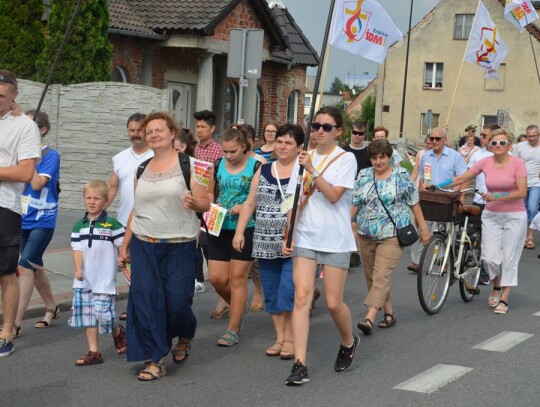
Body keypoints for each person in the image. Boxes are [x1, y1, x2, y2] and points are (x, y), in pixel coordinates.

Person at [118, 112, 210, 381]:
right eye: (149, 132)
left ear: (172, 134)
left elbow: (205, 201)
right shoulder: (141, 169)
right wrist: (125, 244)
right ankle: (155, 359)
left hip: (180, 245)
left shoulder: (192, 166)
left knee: (178, 304)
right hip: (144, 245)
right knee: (147, 302)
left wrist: (196, 203)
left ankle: (186, 331)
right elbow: (137, 208)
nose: (154, 135)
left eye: (159, 130)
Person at [283, 106, 360, 386]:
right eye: (315, 126)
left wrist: (312, 170)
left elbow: (333, 196)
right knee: (302, 298)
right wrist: (288, 233)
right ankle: (300, 364)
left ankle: (348, 341)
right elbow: (293, 200)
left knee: (332, 302)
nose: (318, 131)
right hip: (305, 236)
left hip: (335, 239)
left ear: (338, 131)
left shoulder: (345, 159)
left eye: (326, 127)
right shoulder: (304, 157)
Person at [233, 124, 303, 359]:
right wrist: (240, 232)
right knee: (271, 292)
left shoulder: (303, 172)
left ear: (298, 147)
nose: (282, 147)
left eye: (288, 143)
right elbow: (250, 203)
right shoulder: (263, 170)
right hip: (264, 241)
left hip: (292, 244)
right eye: (280, 142)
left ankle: (292, 339)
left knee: (288, 291)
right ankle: (280, 338)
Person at [441, 129, 527, 314]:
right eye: (494, 143)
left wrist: (496, 195)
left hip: (514, 215)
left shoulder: (518, 164)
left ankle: (504, 296)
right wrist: (438, 185)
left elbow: (522, 192)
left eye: (502, 143)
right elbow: (462, 177)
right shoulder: (485, 162)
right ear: (489, 146)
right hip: (491, 215)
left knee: (509, 258)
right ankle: (496, 285)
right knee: (488, 258)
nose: (498, 146)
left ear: (510, 146)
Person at [351, 140, 429, 335]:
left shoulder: (400, 176)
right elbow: (356, 202)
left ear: (389, 157)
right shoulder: (364, 175)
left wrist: (423, 228)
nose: (378, 162)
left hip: (392, 233)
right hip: (366, 232)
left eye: (382, 157)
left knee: (381, 275)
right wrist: (344, 223)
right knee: (371, 276)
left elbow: (414, 203)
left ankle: (369, 317)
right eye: (374, 158)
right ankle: (389, 312)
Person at [206, 127, 261, 347]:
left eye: (233, 151)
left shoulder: (256, 166)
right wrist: (212, 204)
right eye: (225, 151)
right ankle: (238, 306)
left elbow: (256, 197)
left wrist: (243, 205)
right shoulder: (218, 165)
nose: (228, 156)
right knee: (217, 278)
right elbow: (210, 190)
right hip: (220, 224)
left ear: (244, 147)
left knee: (237, 278)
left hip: (246, 225)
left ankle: (233, 328)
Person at [0, 70, 41, 357]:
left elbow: (26, 172)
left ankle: (6, 332)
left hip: (5, 207)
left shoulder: (25, 126)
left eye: (2, 96)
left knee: (5, 275)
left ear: (15, 95)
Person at [14, 111, 61, 336]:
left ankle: (13, 324)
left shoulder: (51, 156)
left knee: (24, 267)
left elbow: (37, 184)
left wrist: (29, 159)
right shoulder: (18, 153)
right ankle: (52, 307)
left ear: (41, 130)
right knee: (34, 266)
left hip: (43, 220)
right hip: (21, 218)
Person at [70, 180, 127, 365]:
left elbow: (122, 246)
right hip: (84, 281)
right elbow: (77, 250)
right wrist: (78, 269)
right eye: (88, 198)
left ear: (105, 201)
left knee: (104, 316)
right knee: (88, 316)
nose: (92, 202)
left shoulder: (112, 224)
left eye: (96, 198)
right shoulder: (79, 226)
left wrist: (123, 257)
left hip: (104, 281)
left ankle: (117, 331)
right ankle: (94, 352)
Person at [407, 127, 468, 272]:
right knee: (422, 226)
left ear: (444, 140)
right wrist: (422, 187)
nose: (434, 141)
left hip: (447, 198)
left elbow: (464, 177)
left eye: (437, 139)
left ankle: (443, 260)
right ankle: (417, 261)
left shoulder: (455, 156)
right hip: (429, 197)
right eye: (431, 138)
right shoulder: (426, 156)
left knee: (444, 229)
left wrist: (461, 195)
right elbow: (421, 176)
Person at [193, 110, 226, 312]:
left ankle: (223, 292)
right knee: (195, 243)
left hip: (214, 204)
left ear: (212, 129)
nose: (199, 130)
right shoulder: (194, 150)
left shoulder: (220, 151)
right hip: (196, 202)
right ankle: (199, 279)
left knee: (208, 245)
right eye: (197, 126)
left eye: (203, 127)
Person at [105, 113, 153, 226]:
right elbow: (112, 186)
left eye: (139, 130)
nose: (135, 134)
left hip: (149, 224)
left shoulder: (156, 155)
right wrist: (98, 210)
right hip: (124, 221)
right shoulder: (120, 158)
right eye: (132, 130)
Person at [468, 124, 500, 285]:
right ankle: (472, 261)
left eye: (484, 135)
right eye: (480, 135)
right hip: (478, 201)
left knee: (489, 240)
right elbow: (467, 176)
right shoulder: (477, 154)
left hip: (495, 205)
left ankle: (486, 271)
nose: (480, 137)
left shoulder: (503, 155)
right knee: (473, 234)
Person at [512, 125, 540, 250]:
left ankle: (530, 237)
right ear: (526, 135)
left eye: (534, 136)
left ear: (538, 135)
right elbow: (513, 163)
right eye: (529, 136)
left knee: (533, 208)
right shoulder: (520, 147)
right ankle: (522, 237)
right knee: (521, 211)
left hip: (536, 183)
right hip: (521, 183)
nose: (532, 138)